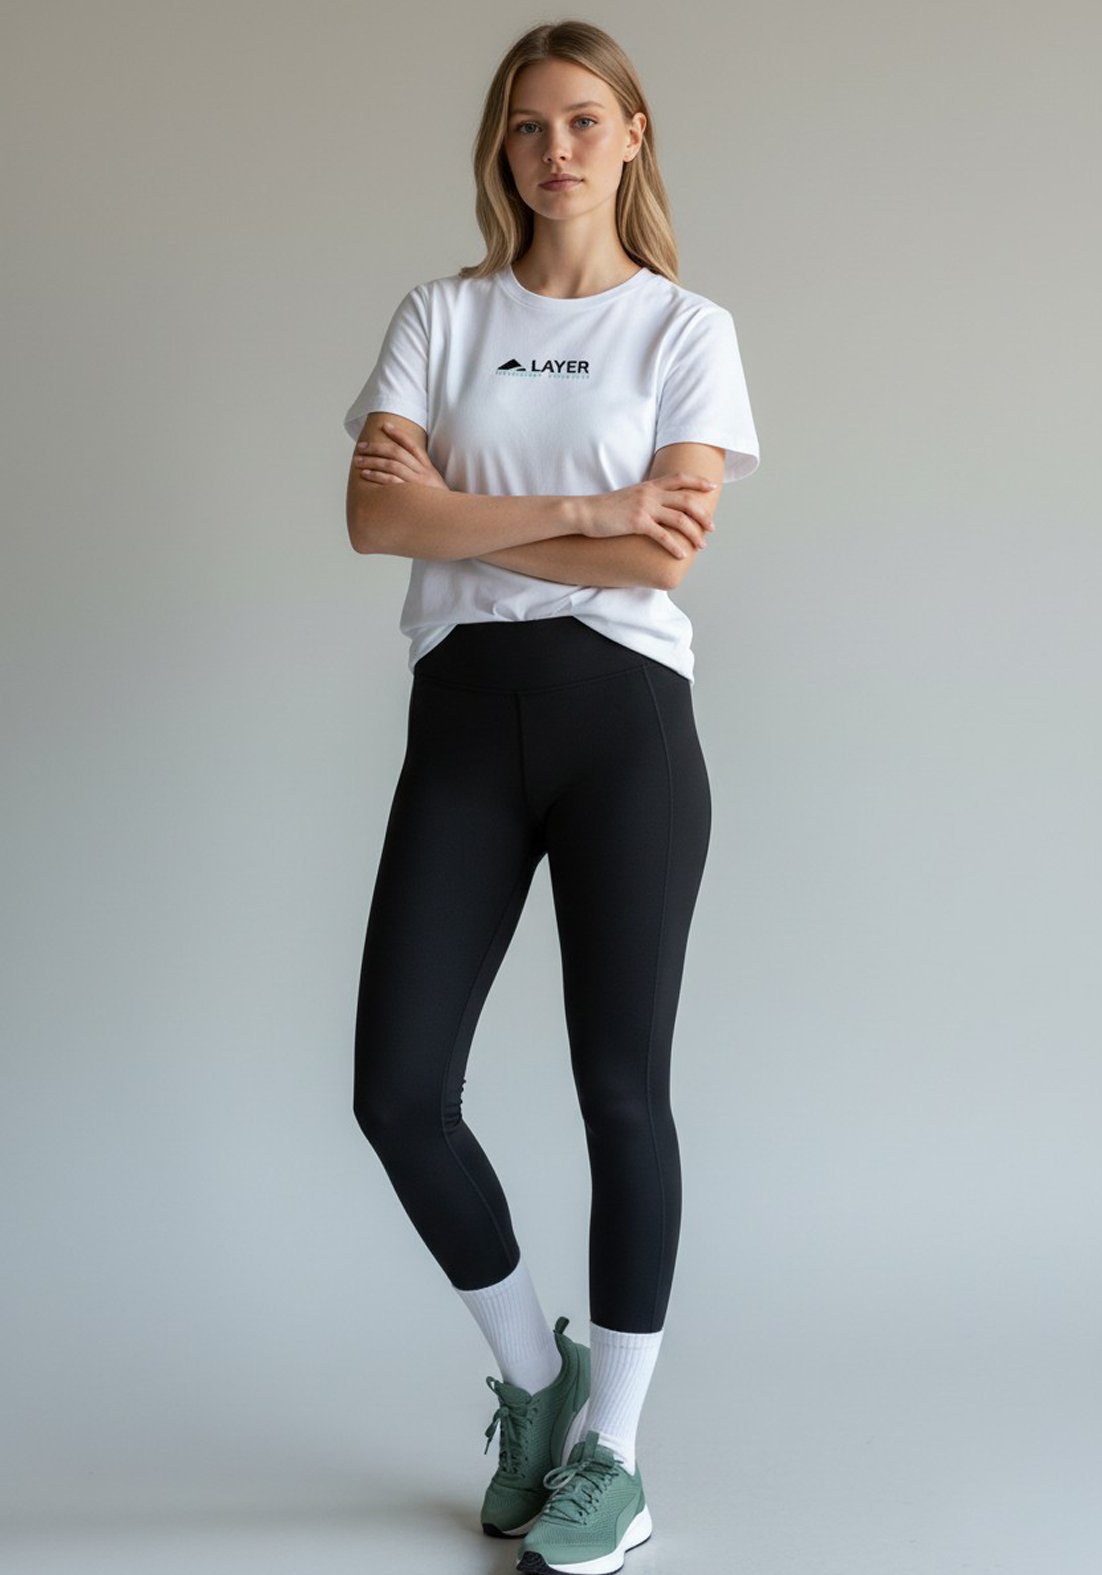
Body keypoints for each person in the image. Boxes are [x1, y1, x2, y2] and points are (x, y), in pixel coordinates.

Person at [342, 20, 759, 1573]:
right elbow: (370, 516)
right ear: (500, 150)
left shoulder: (684, 331)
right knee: (396, 1093)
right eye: (526, 127)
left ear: (633, 135)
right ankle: (535, 1375)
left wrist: (460, 517)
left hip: (622, 725)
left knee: (619, 1091)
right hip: (458, 721)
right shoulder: (440, 316)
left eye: (584, 121)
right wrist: (584, 499)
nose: (555, 150)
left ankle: (613, 1456)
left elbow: (662, 556)